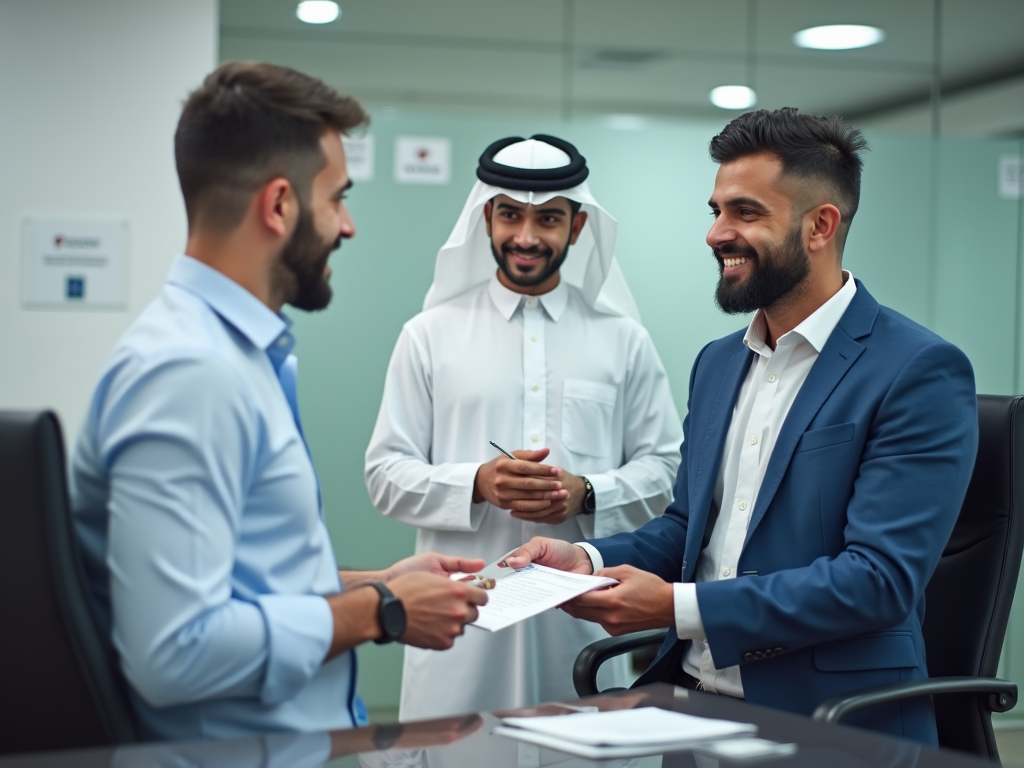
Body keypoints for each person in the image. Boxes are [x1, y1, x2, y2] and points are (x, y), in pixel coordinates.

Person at [506, 108, 978, 745]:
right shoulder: (719, 362)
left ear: (820, 225)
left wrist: (676, 607)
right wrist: (584, 559)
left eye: (745, 213)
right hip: (695, 711)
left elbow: (878, 581)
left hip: (834, 726)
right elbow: (687, 528)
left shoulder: (916, 370)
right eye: (715, 210)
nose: (715, 234)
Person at [69, 61, 487, 741]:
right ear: (279, 205)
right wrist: (382, 610)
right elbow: (175, 653)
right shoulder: (190, 373)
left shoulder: (239, 357)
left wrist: (378, 580)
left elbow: (244, 580)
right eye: (337, 198)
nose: (347, 226)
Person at [364, 134, 683, 720]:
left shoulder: (623, 340)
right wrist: (477, 483)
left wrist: (587, 492)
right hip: (463, 629)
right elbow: (385, 474)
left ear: (578, 227)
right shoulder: (429, 335)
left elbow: (667, 471)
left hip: (580, 630)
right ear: (487, 216)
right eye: (510, 214)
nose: (527, 237)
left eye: (549, 219)